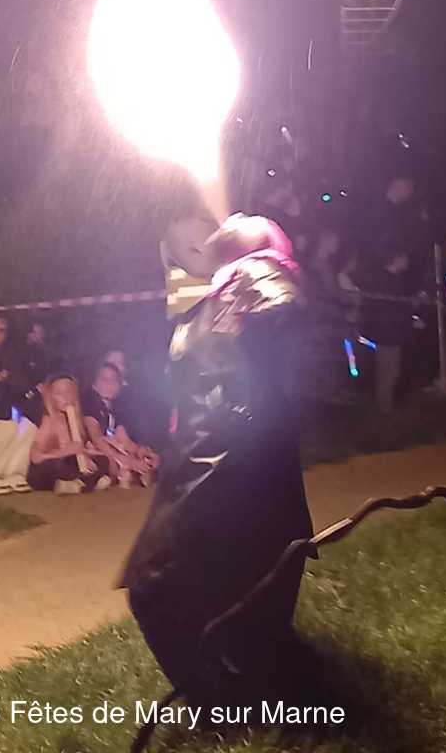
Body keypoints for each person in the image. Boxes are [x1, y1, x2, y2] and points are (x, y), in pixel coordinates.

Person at [120, 214, 314, 710]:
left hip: (229, 479)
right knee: (228, 612)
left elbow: (280, 305)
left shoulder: (256, 273)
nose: (236, 216)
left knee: (156, 592)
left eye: (250, 220)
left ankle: (224, 706)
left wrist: (244, 293)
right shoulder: (221, 290)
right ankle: (242, 694)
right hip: (219, 476)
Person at [27, 375, 112, 494]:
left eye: (69, 392)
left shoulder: (75, 420)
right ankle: (80, 483)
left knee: (102, 460)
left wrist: (86, 455)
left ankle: (78, 482)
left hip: (68, 463)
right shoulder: (48, 421)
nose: (66, 397)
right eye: (59, 393)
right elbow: (36, 457)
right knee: (60, 465)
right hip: (48, 467)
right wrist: (67, 451)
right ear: (51, 397)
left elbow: (76, 450)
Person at [82, 361, 159, 487]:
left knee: (148, 464)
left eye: (114, 380)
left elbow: (124, 440)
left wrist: (143, 453)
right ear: (94, 384)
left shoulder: (115, 410)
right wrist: (127, 460)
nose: (110, 384)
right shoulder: (90, 406)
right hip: (96, 453)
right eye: (104, 380)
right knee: (114, 464)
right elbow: (97, 438)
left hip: (113, 453)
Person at [356, 248, 414, 414]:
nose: (407, 261)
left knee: (390, 371)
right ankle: (384, 409)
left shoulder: (389, 280)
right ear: (396, 258)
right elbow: (391, 309)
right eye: (404, 257)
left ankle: (384, 406)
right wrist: (408, 318)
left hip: (389, 332)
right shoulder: (387, 282)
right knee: (387, 371)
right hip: (388, 333)